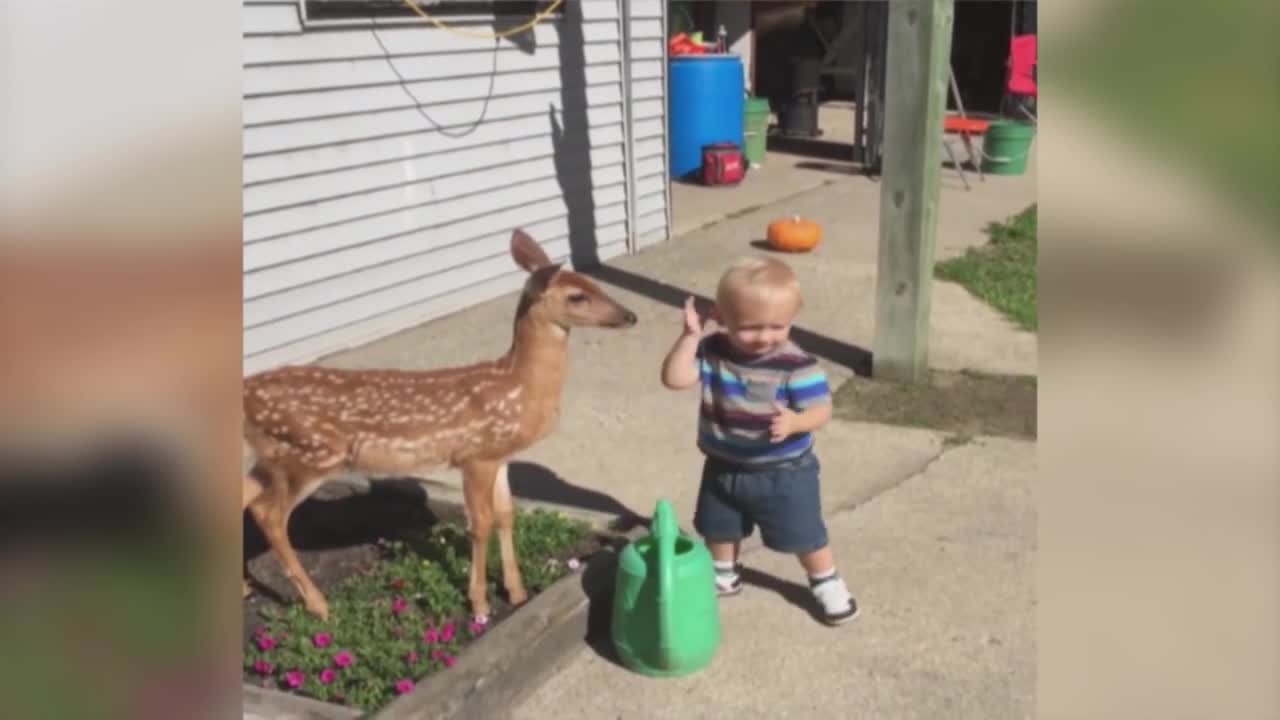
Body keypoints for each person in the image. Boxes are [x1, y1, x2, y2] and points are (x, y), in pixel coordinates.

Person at [660, 255, 858, 626]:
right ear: (721, 317)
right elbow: (675, 378)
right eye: (750, 328)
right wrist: (690, 337)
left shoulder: (795, 365)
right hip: (722, 464)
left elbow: (822, 410)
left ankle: (825, 581)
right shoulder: (714, 351)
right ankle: (723, 572)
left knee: (803, 532)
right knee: (719, 525)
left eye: (777, 326)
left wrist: (798, 421)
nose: (764, 337)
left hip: (784, 472)